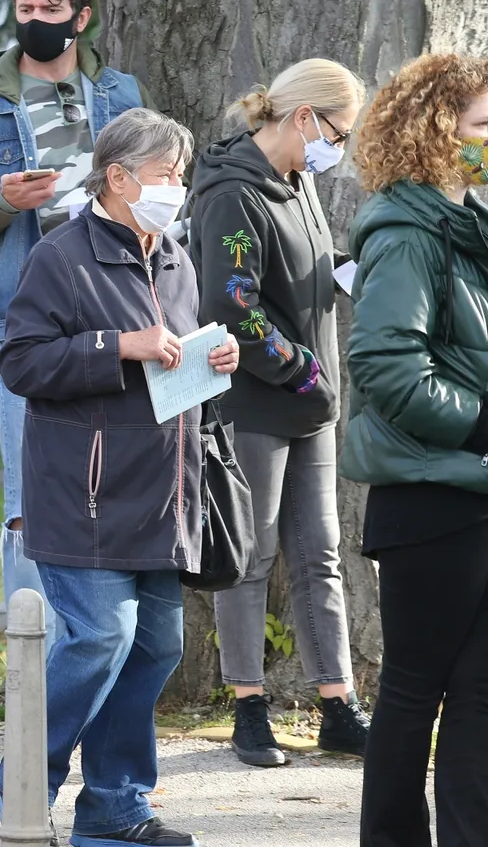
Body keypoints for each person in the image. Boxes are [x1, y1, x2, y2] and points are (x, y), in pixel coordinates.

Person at [0, 107, 238, 847]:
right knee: (101, 635)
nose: (177, 185)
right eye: (165, 173)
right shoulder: (61, 257)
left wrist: (210, 360)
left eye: (180, 173)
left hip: (162, 493)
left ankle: (114, 805)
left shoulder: (176, 257)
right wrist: (116, 344)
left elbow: (171, 361)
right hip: (85, 493)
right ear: (118, 177)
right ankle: (23, 779)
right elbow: (21, 363)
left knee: (157, 646)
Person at [0, 0, 152, 646]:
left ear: (81, 18)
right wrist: (0, 202)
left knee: (115, 487)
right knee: (30, 501)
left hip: (119, 320)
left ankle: (99, 650)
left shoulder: (120, 95)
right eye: (24, 11)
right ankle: (34, 668)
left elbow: (159, 197)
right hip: (25, 325)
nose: (33, 24)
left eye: (49, 13)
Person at [190, 59, 370, 767]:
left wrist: (360, 268)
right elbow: (233, 304)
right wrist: (302, 369)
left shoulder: (299, 182)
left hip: (311, 404)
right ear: (303, 118)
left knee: (320, 554)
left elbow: (307, 268)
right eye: (337, 132)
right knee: (251, 556)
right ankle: (249, 707)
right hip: (257, 401)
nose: (339, 149)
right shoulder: (235, 191)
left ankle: (337, 705)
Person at [341, 54, 488, 847]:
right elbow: (388, 366)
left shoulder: (469, 226)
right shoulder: (405, 231)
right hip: (430, 497)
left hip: (474, 486)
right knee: (412, 690)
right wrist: (479, 425)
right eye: (482, 127)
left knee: (480, 693)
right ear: (437, 134)